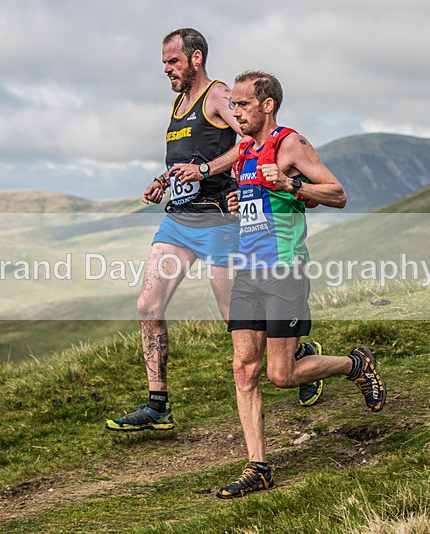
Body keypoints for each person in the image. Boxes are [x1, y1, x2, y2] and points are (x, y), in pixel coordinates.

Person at [105, 30, 323, 433]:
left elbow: (246, 144)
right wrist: (163, 179)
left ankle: (297, 353)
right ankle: (157, 405)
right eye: (164, 64)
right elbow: (188, 157)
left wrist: (206, 171)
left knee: (235, 320)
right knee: (147, 305)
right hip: (180, 219)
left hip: (220, 219)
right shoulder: (178, 102)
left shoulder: (220, 96)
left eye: (172, 62)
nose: (167, 70)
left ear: (196, 58)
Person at [215, 71, 387, 498]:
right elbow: (263, 205)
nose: (234, 112)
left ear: (267, 105)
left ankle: (355, 365)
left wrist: (292, 183)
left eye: (241, 104)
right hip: (248, 271)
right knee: (243, 368)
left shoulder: (290, 144)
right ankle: (258, 467)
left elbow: (337, 193)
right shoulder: (243, 154)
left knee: (282, 374)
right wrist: (241, 201)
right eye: (232, 105)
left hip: (284, 270)